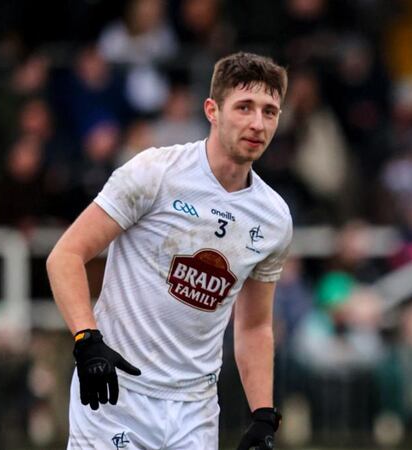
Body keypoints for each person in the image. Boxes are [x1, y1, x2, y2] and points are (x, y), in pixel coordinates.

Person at [46, 52, 292, 450]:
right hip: (116, 393)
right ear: (212, 110)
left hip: (195, 409)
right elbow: (66, 255)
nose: (257, 123)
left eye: (270, 111)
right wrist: (86, 339)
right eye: (244, 107)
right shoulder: (154, 173)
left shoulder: (273, 217)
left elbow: (254, 326)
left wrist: (263, 413)